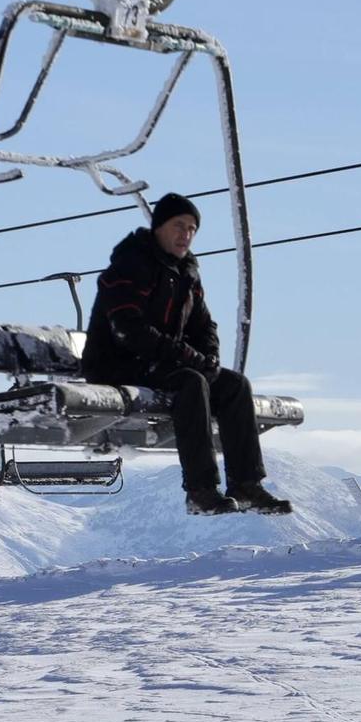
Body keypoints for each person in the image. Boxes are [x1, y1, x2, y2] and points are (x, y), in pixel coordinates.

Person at [81, 191, 293, 518]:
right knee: (191, 383)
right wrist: (186, 357)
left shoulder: (186, 272)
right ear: (159, 227)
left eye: (193, 228)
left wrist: (208, 357)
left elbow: (203, 324)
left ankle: (246, 484)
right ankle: (201, 490)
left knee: (234, 385)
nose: (186, 234)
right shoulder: (130, 264)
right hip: (119, 363)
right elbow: (128, 329)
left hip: (164, 363)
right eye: (179, 225)